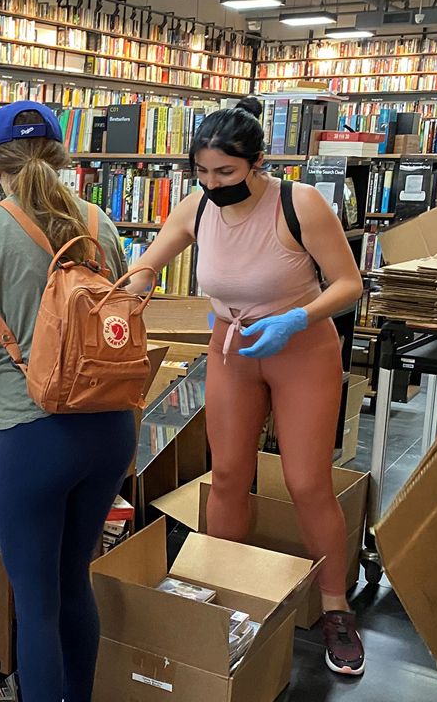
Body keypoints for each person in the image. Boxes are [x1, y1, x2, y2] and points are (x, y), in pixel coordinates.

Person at [126, 97, 365, 676]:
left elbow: (349, 284)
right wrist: (132, 289)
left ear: (257, 162)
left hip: (301, 347)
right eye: (202, 173)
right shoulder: (197, 207)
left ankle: (335, 607)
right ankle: (219, 589)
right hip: (231, 349)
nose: (213, 184)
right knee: (229, 473)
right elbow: (150, 263)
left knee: (307, 481)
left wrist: (296, 318)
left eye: (226, 173)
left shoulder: (298, 203)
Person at [0, 101, 134, 702]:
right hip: (110, 429)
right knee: (75, 581)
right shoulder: (100, 222)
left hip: (36, 435)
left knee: (37, 602)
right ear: (59, 154)